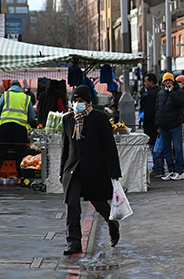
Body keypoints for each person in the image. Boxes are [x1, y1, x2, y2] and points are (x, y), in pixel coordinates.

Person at [60, 85, 122, 255]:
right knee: (72, 205)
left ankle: (113, 225)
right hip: (73, 170)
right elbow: (65, 148)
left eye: (80, 101)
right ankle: (73, 242)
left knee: (100, 204)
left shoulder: (100, 119)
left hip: (95, 170)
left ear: (88, 102)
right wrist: (61, 172)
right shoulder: (67, 120)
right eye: (75, 101)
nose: (77, 104)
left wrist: (115, 173)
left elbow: (110, 147)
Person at [0, 80, 36, 184]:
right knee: (20, 153)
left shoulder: (6, 95)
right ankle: (21, 177)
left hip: (5, 126)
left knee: (0, 152)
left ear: (10, 86)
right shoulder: (26, 98)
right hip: (20, 127)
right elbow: (32, 117)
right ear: (20, 87)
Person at [155, 72, 184, 181]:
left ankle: (180, 171)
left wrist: (172, 93)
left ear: (173, 81)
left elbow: (180, 104)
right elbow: (158, 109)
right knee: (166, 149)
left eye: (170, 80)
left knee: (177, 148)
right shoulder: (160, 93)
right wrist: (157, 124)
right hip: (163, 126)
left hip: (175, 124)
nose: (168, 82)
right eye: (166, 81)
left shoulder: (178, 92)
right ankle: (171, 170)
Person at [141, 73, 163, 177]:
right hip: (158, 123)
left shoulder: (151, 94)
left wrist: (144, 121)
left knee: (154, 148)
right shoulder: (159, 91)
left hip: (152, 124)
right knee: (159, 147)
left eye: (146, 81)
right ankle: (159, 167)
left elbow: (150, 111)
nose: (144, 83)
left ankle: (158, 168)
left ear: (151, 82)